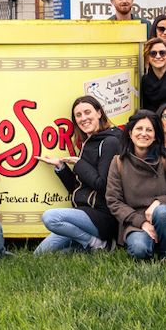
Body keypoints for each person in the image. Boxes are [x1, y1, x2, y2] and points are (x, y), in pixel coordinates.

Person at [35, 96, 124, 254]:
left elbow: (103, 185)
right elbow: (77, 188)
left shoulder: (110, 142)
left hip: (102, 216)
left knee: (50, 218)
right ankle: (93, 246)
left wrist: (79, 163)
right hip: (83, 214)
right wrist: (60, 167)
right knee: (41, 254)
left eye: (87, 112)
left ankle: (98, 244)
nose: (83, 118)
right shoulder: (88, 142)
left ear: (99, 113)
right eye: (78, 115)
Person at [106, 109, 166, 261]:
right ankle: (151, 243)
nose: (143, 133)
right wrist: (142, 223)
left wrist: (159, 202)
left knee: (162, 213)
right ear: (130, 133)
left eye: (149, 130)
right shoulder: (118, 162)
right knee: (140, 249)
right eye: (139, 129)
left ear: (154, 136)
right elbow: (114, 201)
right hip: (135, 220)